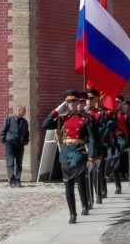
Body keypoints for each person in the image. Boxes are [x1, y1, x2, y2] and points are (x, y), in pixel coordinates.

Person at [42, 90, 95, 224]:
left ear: (78, 103)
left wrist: (91, 158)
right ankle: (73, 214)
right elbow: (45, 125)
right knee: (68, 184)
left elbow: (92, 140)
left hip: (79, 151)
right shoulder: (62, 119)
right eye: (68, 102)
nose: (70, 105)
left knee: (78, 178)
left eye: (73, 102)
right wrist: (56, 111)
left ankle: (85, 205)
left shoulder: (86, 118)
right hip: (65, 152)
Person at [0, 106, 29, 187]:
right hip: (10, 143)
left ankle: (17, 179)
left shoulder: (25, 122)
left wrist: (25, 141)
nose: (25, 112)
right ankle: (11, 180)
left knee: (19, 163)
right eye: (24, 111)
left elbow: (26, 133)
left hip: (20, 144)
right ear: (19, 110)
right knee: (10, 162)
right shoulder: (9, 119)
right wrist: (3, 140)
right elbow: (3, 130)